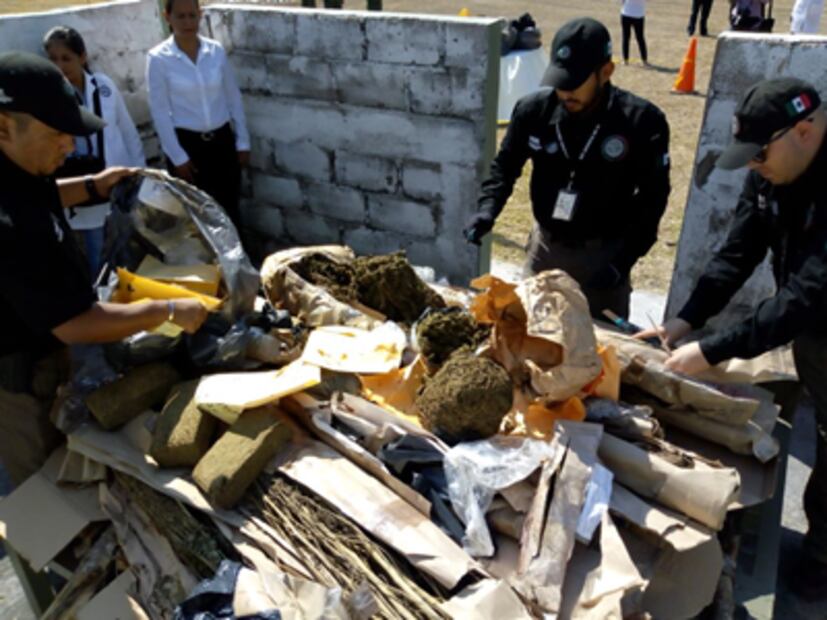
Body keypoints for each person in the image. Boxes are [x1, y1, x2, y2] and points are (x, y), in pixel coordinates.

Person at [637, 78, 827, 602]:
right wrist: (685, 321)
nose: (752, 165)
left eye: (759, 153)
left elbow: (804, 297)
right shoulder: (770, 170)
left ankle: (821, 558)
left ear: (805, 132)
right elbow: (737, 252)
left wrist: (712, 350)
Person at [0, 51, 209, 487]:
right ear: (3, 126)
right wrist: (169, 311)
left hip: (47, 354)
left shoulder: (16, 167)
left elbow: (39, 196)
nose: (70, 146)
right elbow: (76, 325)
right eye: (58, 133)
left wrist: (95, 186)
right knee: (45, 491)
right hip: (19, 384)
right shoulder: (7, 225)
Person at [464, 17, 670, 320]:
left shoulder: (641, 122)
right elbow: (505, 167)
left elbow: (653, 200)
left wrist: (621, 263)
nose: (564, 93)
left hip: (603, 256)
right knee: (529, 336)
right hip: (545, 248)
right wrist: (487, 209)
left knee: (598, 356)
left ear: (606, 72)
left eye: (574, 84)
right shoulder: (533, 110)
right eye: (559, 82)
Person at [44, 26, 146, 279]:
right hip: (83, 187)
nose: (60, 65)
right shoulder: (51, 96)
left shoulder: (104, 87)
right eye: (53, 59)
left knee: (130, 248)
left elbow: (127, 130)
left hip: (117, 181)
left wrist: (141, 172)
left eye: (66, 58)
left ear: (82, 56)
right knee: (96, 256)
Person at [146, 0, 250, 229]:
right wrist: (177, 156)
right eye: (180, 16)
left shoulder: (215, 51)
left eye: (192, 15)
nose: (187, 22)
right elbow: (160, 111)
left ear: (200, 15)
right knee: (197, 216)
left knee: (229, 208)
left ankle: (239, 261)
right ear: (168, 17)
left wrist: (242, 141)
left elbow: (233, 97)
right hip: (188, 145)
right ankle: (211, 266)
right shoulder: (159, 59)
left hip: (222, 142)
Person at [620, 0, 648, 65]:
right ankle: (644, 60)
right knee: (640, 38)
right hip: (637, 15)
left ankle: (625, 60)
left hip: (627, 13)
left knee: (626, 37)